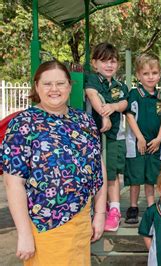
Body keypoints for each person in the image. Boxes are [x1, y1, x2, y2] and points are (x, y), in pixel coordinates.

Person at [1, 60, 107, 265]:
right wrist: (24, 234)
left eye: (60, 83)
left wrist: (100, 213)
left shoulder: (84, 120)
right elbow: (13, 182)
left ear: (69, 85)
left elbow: (98, 167)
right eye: (47, 84)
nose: (54, 89)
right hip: (46, 225)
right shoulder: (23, 124)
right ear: (37, 86)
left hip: (82, 221)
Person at [85, 42, 128, 232]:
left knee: (111, 174)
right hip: (92, 136)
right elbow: (93, 96)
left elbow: (124, 103)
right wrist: (104, 114)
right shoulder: (92, 80)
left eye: (112, 61)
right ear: (95, 63)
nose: (109, 65)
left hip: (113, 137)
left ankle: (115, 210)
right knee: (93, 174)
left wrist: (113, 107)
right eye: (104, 61)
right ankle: (97, 208)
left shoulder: (120, 86)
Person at [124, 53, 161, 224]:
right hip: (137, 144)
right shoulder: (135, 94)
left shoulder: (160, 96)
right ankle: (133, 207)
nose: (150, 77)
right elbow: (129, 116)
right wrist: (139, 137)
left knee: (151, 178)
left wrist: (159, 138)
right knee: (136, 178)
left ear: (160, 74)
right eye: (146, 74)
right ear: (139, 75)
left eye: (154, 73)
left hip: (154, 144)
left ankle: (150, 207)